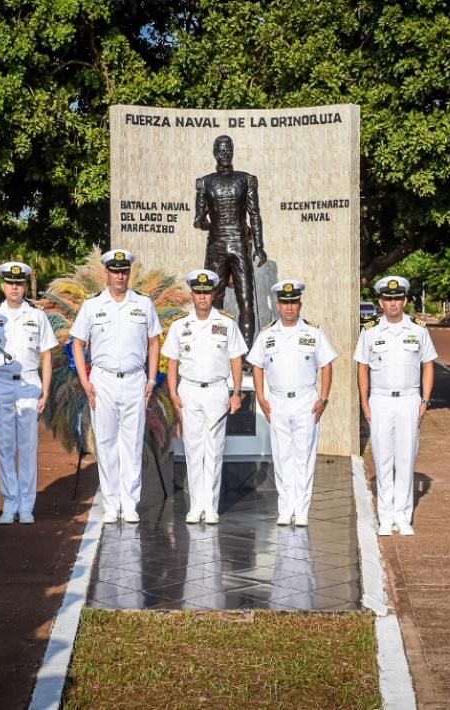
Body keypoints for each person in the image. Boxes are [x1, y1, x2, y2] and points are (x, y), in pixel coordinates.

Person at [70, 250, 161, 523]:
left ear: (128, 273)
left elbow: (154, 341)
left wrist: (152, 379)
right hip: (103, 381)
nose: (120, 276)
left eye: (124, 271)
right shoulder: (92, 305)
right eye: (115, 271)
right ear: (106, 273)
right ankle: (111, 503)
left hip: (135, 380)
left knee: (132, 443)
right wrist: (85, 382)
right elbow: (77, 342)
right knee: (106, 442)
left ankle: (130, 502)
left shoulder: (143, 304)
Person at [247, 279, 337, 526]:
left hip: (306, 401)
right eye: (285, 303)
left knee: (304, 458)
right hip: (277, 402)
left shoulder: (313, 333)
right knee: (282, 456)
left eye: (293, 302)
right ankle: (286, 509)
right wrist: (261, 399)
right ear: (278, 305)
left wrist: (324, 398)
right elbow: (256, 365)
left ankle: (302, 509)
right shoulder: (267, 334)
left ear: (300, 304)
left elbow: (327, 365)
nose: (289, 307)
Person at [353, 275, 436, 536]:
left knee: (406, 457)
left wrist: (425, 400)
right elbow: (362, 367)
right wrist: (364, 401)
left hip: (410, 399)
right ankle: (385, 516)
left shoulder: (418, 330)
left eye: (397, 299)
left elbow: (428, 365)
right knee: (382, 458)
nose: (393, 304)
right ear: (380, 302)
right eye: (388, 299)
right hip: (380, 399)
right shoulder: (370, 331)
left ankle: (403, 515)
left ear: (405, 301)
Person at [163, 269, 247, 524]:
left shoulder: (226, 324)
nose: (202, 297)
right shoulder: (180, 326)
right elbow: (172, 363)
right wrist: (173, 394)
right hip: (188, 390)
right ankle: (195, 505)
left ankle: (210, 507)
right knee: (192, 449)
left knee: (214, 450)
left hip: (216, 391)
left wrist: (236, 392)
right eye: (198, 292)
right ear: (192, 294)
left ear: (213, 294)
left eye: (207, 292)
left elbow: (236, 359)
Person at [0, 261, 57, 524]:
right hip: (0, 383)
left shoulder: (37, 316)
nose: (15, 287)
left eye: (19, 283)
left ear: (24, 286)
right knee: (4, 445)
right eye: (10, 283)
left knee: (28, 445)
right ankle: (9, 503)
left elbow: (46, 355)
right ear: (2, 285)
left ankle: (26, 504)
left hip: (29, 383)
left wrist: (45, 391)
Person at [193, 135, 267, 347]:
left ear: (232, 152)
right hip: (216, 245)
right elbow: (198, 220)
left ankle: (245, 352)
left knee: (246, 299)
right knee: (213, 299)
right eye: (221, 151)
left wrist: (259, 246)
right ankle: (214, 346)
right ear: (215, 153)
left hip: (240, 244)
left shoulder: (246, 179)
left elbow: (255, 214)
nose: (225, 154)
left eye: (228, 150)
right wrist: (212, 224)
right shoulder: (205, 182)